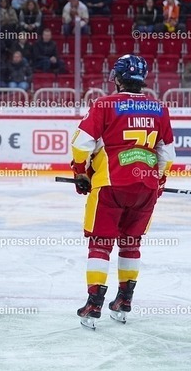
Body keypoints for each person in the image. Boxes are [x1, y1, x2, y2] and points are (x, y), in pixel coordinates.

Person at [70, 54, 175, 330]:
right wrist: (159, 181)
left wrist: (80, 172)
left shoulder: (104, 104)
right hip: (145, 187)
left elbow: (81, 144)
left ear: (117, 78)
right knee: (131, 243)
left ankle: (94, 304)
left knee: (100, 244)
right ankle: (124, 301)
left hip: (111, 184)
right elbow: (167, 154)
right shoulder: (159, 108)